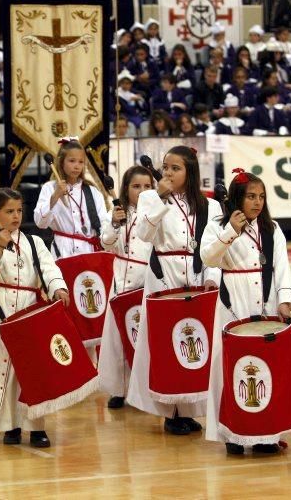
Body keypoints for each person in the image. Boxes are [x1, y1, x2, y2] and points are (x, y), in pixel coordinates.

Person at [126, 146, 222, 436]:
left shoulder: (210, 206)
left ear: (189, 172)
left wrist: (213, 275)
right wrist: (160, 197)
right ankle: (169, 411)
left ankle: (189, 408)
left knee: (195, 344)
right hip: (164, 276)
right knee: (166, 344)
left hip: (197, 273)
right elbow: (143, 234)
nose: (167, 172)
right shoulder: (149, 198)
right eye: (165, 167)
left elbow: (215, 245)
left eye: (175, 168)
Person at [201, 169, 291, 455]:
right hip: (233, 301)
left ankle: (266, 433)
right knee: (233, 366)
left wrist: (284, 301)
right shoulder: (218, 225)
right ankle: (234, 432)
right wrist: (231, 231)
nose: (257, 202)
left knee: (267, 366)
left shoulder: (272, 229)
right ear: (236, 199)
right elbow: (208, 258)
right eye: (251, 196)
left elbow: (282, 265)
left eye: (261, 197)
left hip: (266, 300)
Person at [0, 188, 70, 447]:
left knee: (33, 370)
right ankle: (11, 426)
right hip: (1, 310)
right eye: (9, 211)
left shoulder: (34, 242)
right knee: (6, 366)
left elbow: (49, 268)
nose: (16, 216)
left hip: (30, 310)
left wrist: (58, 287)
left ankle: (37, 426)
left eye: (19, 210)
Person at [98, 166, 156, 409]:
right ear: (126, 188)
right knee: (118, 338)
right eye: (136, 186)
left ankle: (146, 389)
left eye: (146, 187)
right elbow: (106, 243)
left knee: (144, 339)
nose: (141, 191)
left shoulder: (157, 214)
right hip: (122, 279)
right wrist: (113, 223)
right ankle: (119, 389)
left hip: (148, 279)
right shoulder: (117, 212)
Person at [33, 138, 109, 259]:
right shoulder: (49, 188)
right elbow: (40, 223)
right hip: (63, 251)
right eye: (72, 161)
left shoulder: (93, 191)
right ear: (61, 162)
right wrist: (55, 196)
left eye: (80, 162)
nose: (77, 166)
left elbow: (104, 223)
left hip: (89, 251)